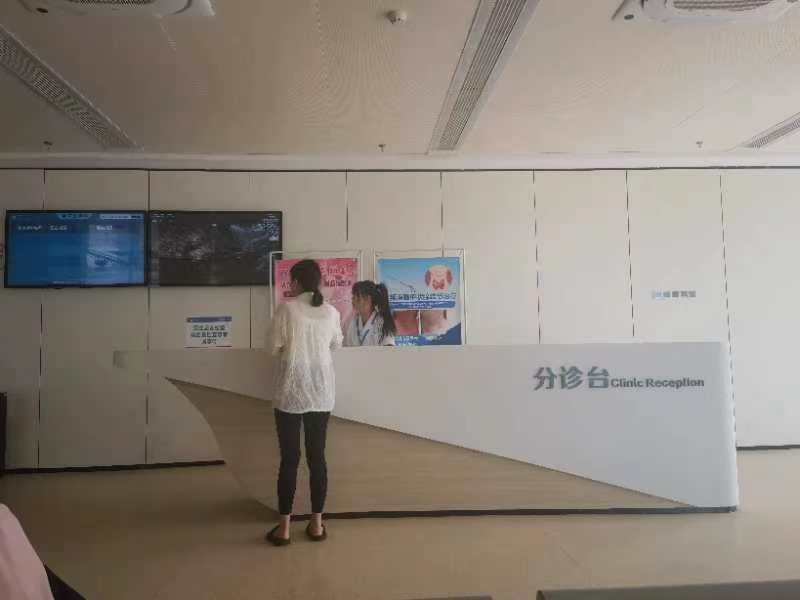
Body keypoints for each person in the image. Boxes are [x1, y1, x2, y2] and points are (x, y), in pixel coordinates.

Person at [266, 259, 343, 546]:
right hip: (321, 393)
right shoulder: (331, 312)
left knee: (289, 460)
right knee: (317, 458)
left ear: (297, 282)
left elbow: (272, 347)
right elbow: (336, 344)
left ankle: (284, 528)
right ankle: (316, 525)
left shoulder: (287, 310)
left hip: (290, 392)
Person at [344, 281, 397, 347]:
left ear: (368, 299)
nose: (353, 300)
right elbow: (347, 347)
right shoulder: (353, 322)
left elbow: (389, 348)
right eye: (353, 297)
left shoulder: (382, 323)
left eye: (357, 296)